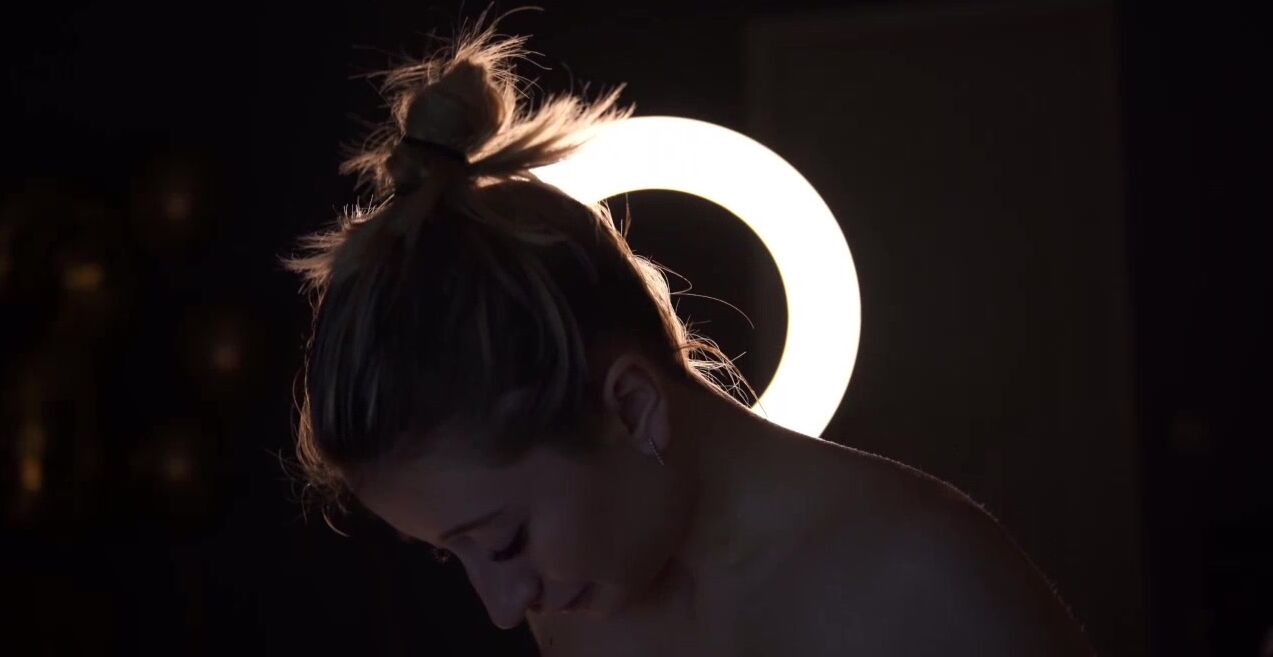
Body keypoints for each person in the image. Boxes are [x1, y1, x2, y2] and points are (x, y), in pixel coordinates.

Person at [284, 15, 1095, 657]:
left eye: (502, 540)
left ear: (633, 406)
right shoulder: (579, 611)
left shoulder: (926, 587)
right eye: (447, 551)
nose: (503, 607)